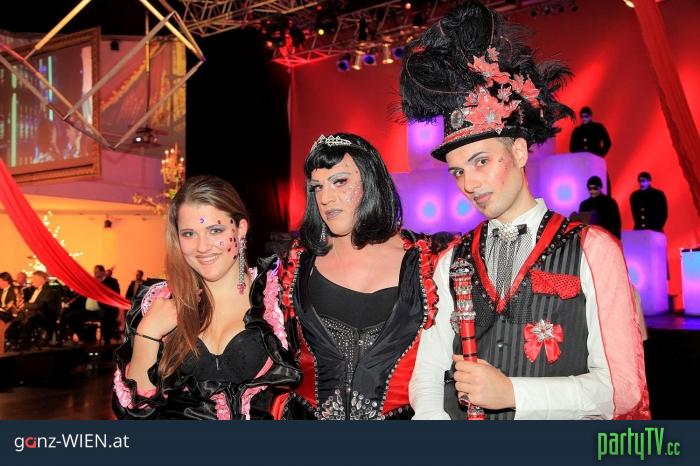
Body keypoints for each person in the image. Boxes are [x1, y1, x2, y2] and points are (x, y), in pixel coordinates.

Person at [399, 1, 649, 420]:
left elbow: (623, 390)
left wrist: (513, 393)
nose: (469, 184)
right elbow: (427, 373)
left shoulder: (593, 249)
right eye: (458, 171)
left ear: (518, 152)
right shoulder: (450, 261)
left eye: (481, 161)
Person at [277, 133, 443, 420]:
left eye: (340, 181)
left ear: (370, 180)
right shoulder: (296, 265)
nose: (326, 198)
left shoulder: (428, 263)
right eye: (317, 187)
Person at [112, 175, 300, 419]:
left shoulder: (279, 299)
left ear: (240, 229)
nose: (202, 247)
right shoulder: (158, 302)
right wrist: (148, 333)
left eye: (215, 230)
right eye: (189, 234)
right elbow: (134, 413)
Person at [23, 270, 61, 343]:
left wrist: (25, 305)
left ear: (42, 279)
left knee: (26, 321)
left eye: (34, 279)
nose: (32, 281)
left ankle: (26, 342)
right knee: (15, 319)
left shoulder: (48, 290)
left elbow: (40, 305)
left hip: (44, 315)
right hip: (35, 312)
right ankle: (17, 339)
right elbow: (33, 303)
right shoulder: (35, 290)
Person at [91, 265, 121, 344]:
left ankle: (106, 339)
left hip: (108, 307)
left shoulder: (112, 282)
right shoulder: (94, 282)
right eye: (94, 272)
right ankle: (86, 338)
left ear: (102, 272)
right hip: (95, 307)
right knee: (74, 315)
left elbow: (115, 295)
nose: (95, 274)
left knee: (106, 316)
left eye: (96, 272)